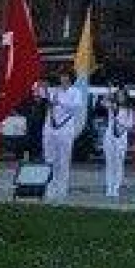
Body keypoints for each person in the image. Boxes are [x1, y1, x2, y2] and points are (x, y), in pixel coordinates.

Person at [43, 72, 85, 201]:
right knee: (50, 159)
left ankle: (62, 190)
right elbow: (41, 96)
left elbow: (76, 106)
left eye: (66, 77)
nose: (63, 79)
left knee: (63, 161)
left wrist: (60, 102)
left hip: (65, 130)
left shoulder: (75, 92)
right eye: (62, 76)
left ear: (70, 79)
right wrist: (43, 87)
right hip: (50, 128)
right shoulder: (55, 91)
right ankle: (50, 188)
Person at [102, 90, 135, 200]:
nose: (120, 97)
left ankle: (116, 188)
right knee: (109, 163)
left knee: (118, 163)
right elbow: (103, 102)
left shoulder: (129, 110)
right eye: (118, 95)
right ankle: (109, 188)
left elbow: (130, 125)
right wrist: (109, 96)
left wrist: (120, 123)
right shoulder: (112, 106)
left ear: (126, 97)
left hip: (121, 137)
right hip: (109, 137)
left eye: (122, 96)